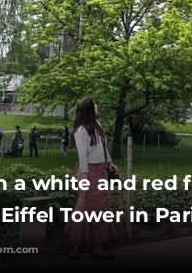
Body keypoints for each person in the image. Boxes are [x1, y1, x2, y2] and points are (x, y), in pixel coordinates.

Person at [66, 97, 119, 261]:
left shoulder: (98, 126)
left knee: (100, 210)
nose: (97, 105)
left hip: (100, 171)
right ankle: (75, 249)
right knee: (84, 209)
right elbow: (82, 156)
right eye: (95, 103)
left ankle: (97, 250)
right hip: (88, 172)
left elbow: (102, 148)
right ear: (89, 109)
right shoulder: (81, 131)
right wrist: (85, 177)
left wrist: (110, 163)